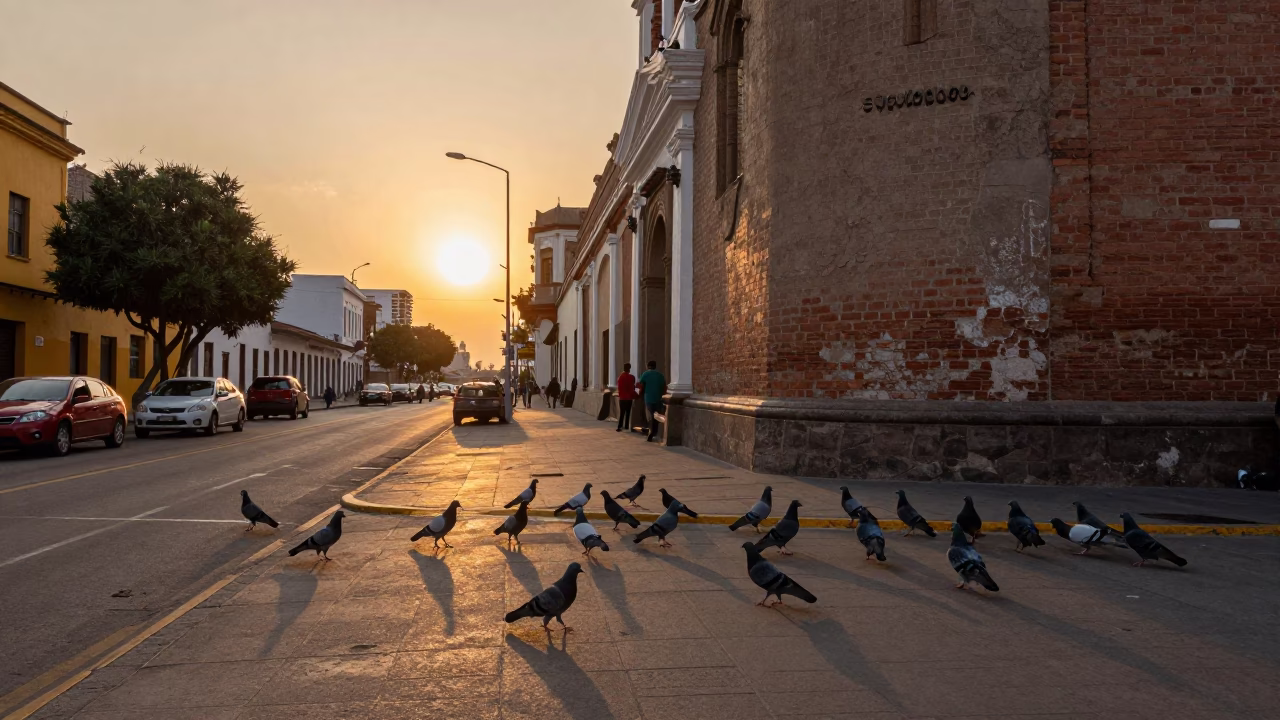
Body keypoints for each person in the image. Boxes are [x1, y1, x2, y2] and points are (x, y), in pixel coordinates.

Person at [636, 360, 666, 443]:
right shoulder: (660, 375)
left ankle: (652, 432)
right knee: (655, 414)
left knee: (652, 415)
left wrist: (638, 393)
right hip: (658, 398)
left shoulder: (645, 374)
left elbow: (641, 385)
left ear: (647, 366)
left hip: (648, 398)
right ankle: (654, 431)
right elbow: (664, 386)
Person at [616, 363, 637, 432]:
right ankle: (626, 425)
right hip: (629, 397)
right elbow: (633, 386)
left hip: (622, 397)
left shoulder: (620, 377)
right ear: (629, 369)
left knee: (622, 412)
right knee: (628, 412)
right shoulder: (632, 377)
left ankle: (620, 426)